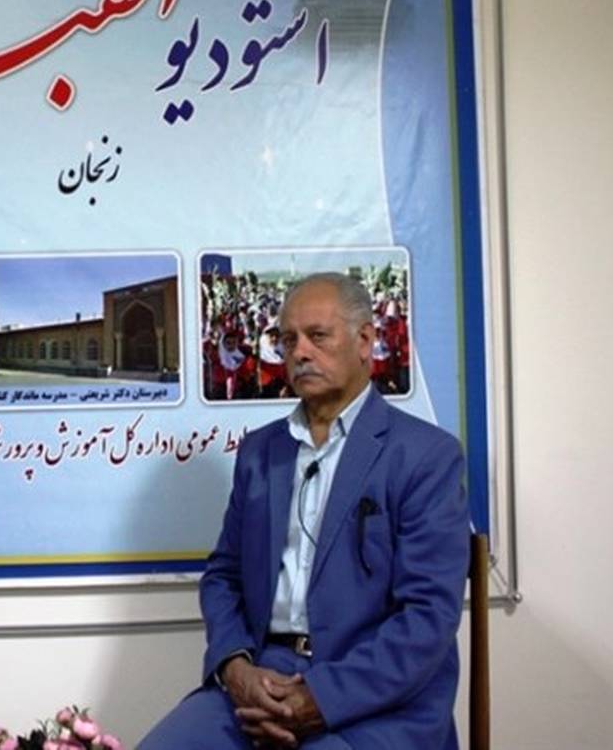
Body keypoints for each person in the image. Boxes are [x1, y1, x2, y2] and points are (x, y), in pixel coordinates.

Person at [141, 272, 470, 749]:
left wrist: (320, 698)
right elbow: (223, 576)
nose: (299, 352)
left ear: (365, 341)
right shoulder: (260, 452)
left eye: (317, 336)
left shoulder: (425, 456)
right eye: (288, 339)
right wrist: (235, 668)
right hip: (262, 680)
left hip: (376, 701)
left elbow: (427, 617)